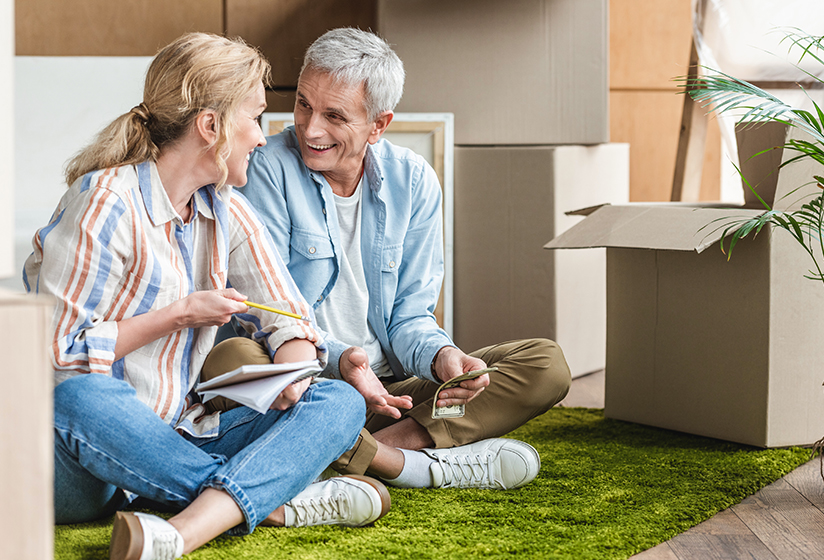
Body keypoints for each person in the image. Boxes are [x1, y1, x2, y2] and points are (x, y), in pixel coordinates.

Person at [24, 32, 391, 560]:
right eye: (255, 118)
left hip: (176, 439)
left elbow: (294, 322)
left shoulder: (227, 212)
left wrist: (290, 373)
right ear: (211, 126)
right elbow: (56, 358)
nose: (263, 138)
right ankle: (271, 502)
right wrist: (176, 316)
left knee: (336, 400)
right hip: (80, 458)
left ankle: (181, 532)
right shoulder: (105, 203)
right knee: (83, 395)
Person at [210, 27, 572, 492]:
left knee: (545, 365)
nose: (309, 127)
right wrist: (341, 361)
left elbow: (409, 315)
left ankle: (365, 454)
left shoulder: (414, 180)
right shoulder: (264, 166)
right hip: (307, 382)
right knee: (231, 356)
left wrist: (441, 357)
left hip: (390, 392)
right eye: (303, 104)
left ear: (378, 125)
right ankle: (406, 463)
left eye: (334, 116)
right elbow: (263, 311)